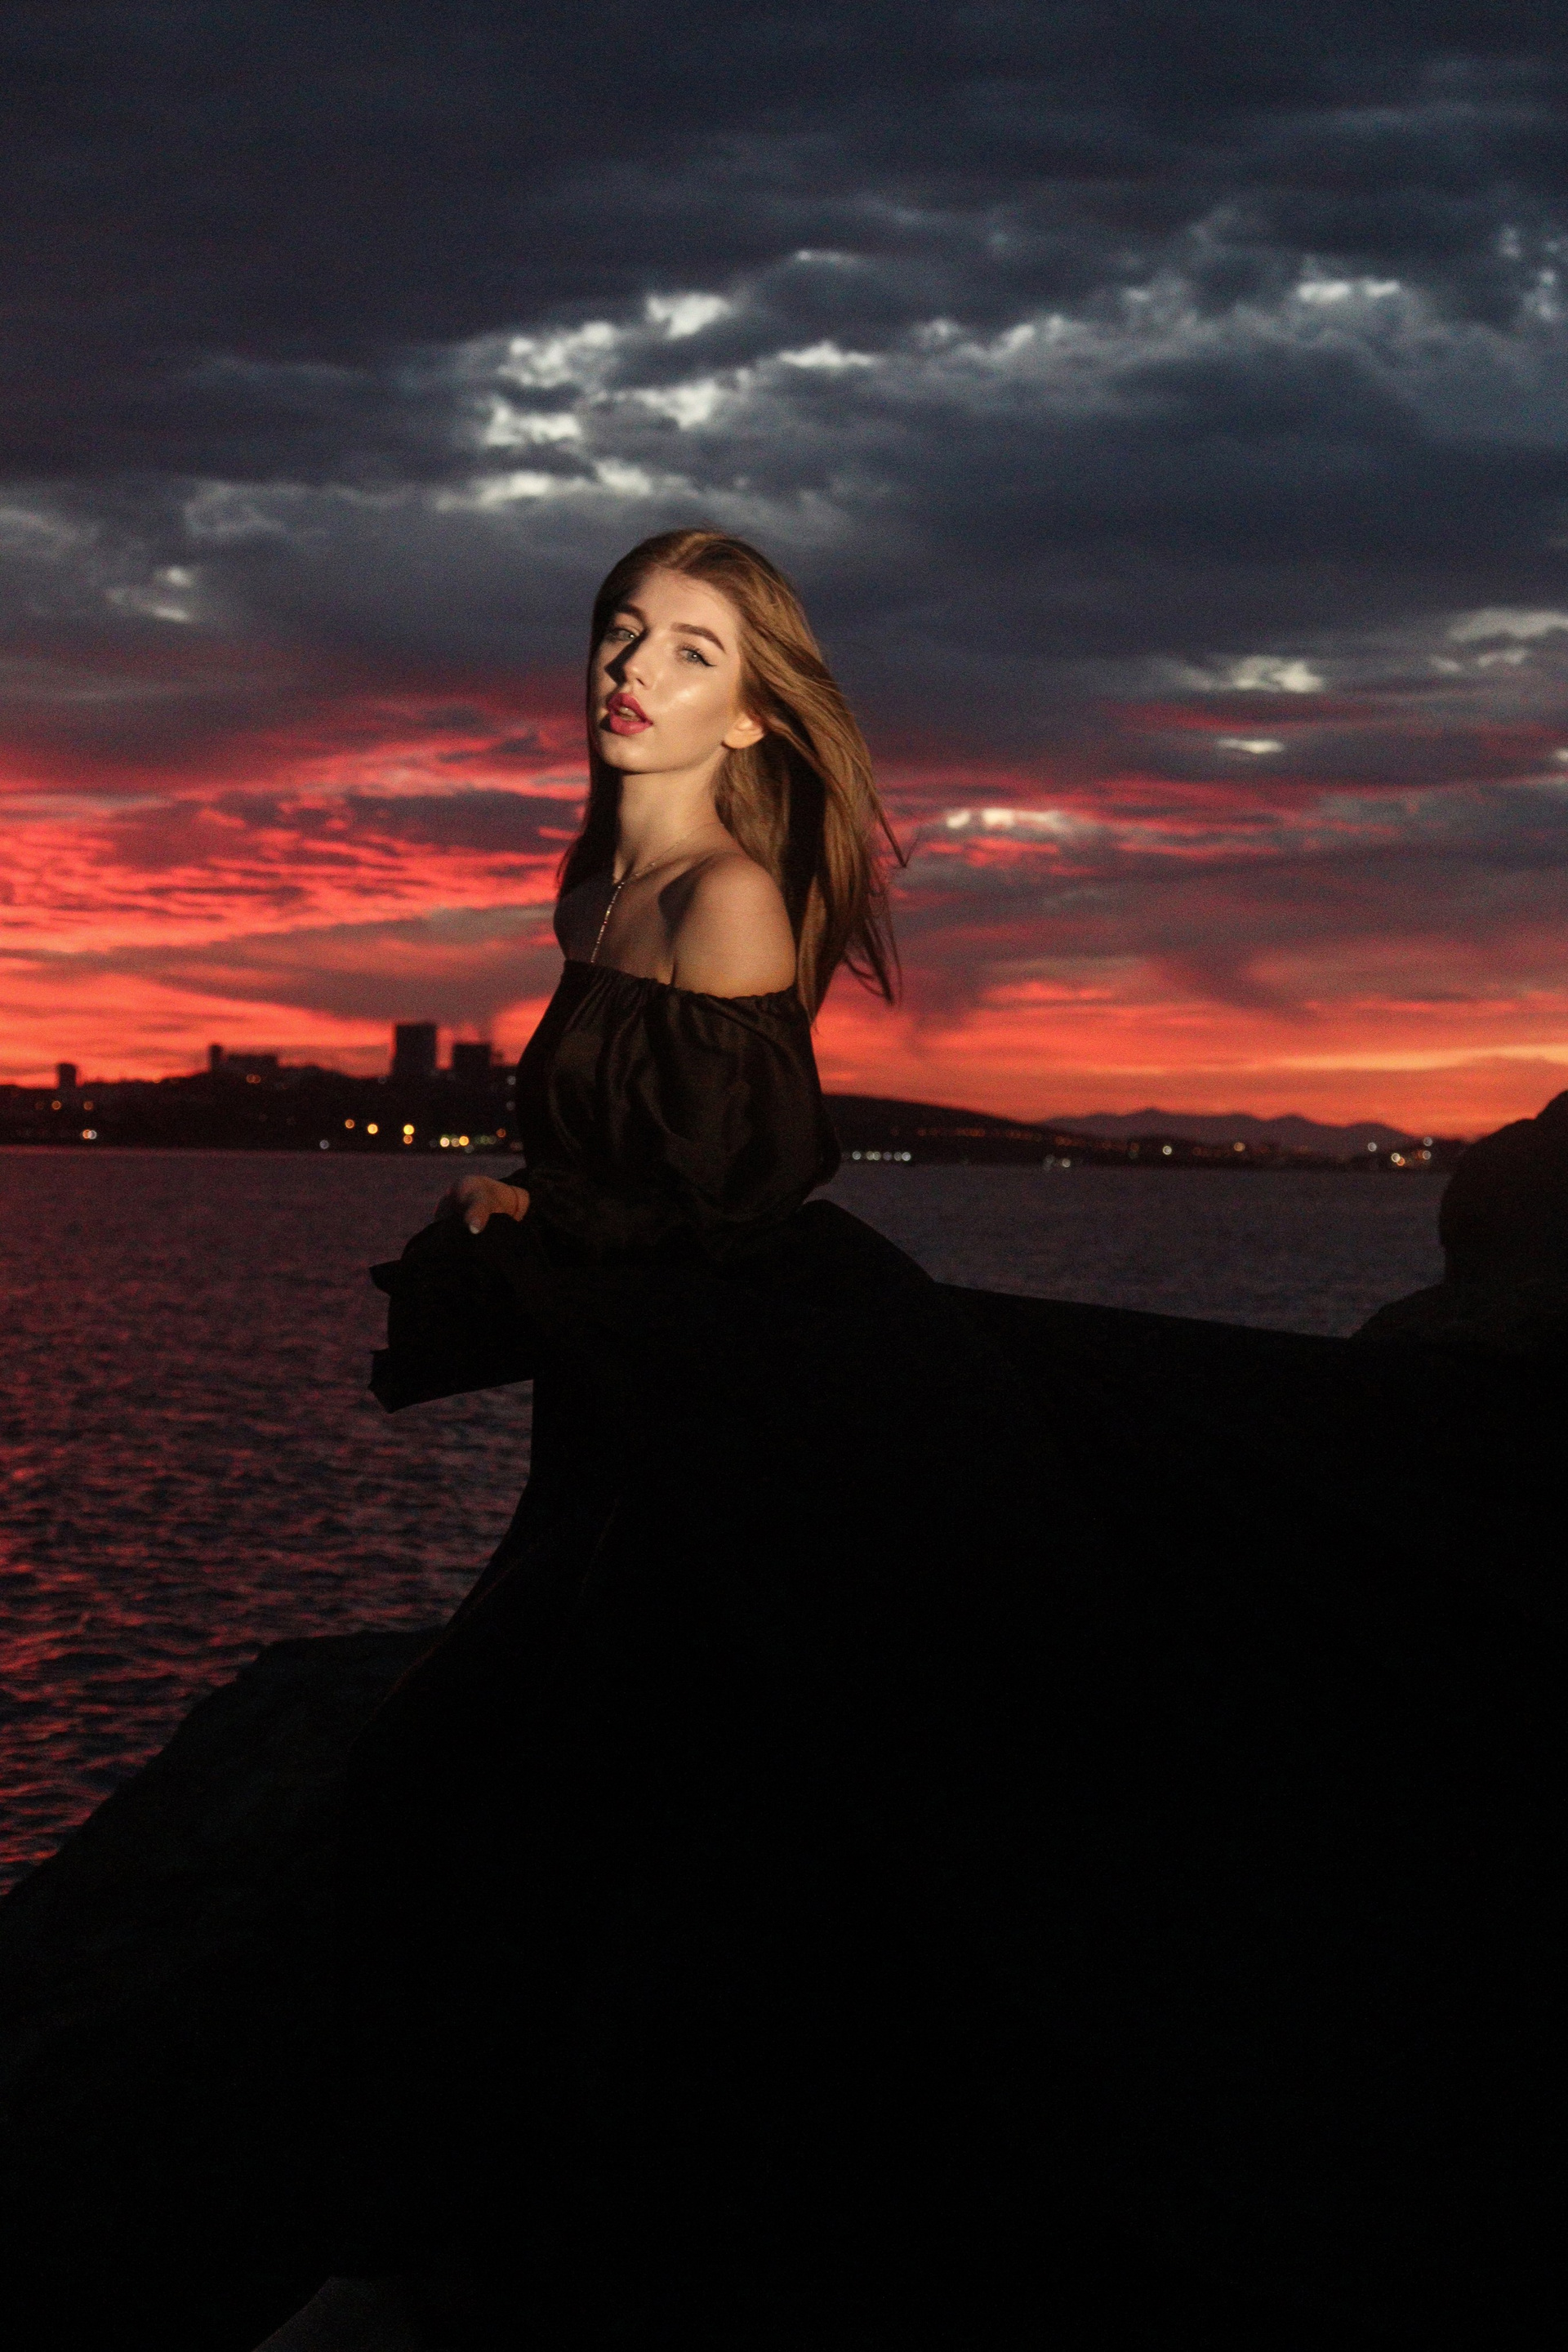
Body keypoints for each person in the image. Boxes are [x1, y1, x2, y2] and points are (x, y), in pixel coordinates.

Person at [257, 532, 1056, 2350]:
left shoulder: (730, 898)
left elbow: (732, 1204)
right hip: (616, 1419)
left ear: (755, 709)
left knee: (494, 1795)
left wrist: (527, 1218)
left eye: (692, 650)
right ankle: (428, 2242)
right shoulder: (602, 882)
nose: (633, 669)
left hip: (727, 1428)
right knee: (503, 1804)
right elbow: (622, 1152)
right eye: (624, 632)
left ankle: (433, 2261)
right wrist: (526, 1202)